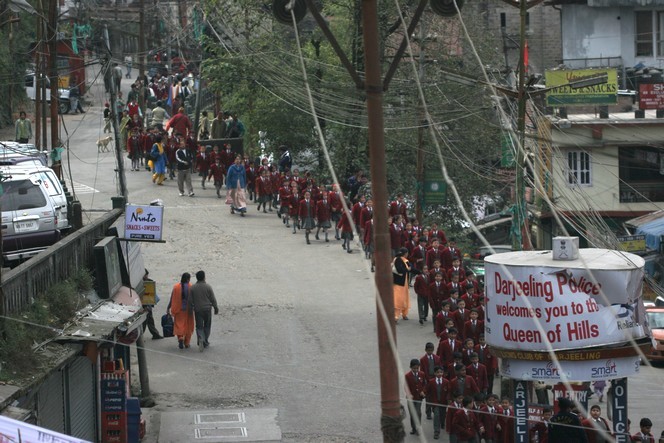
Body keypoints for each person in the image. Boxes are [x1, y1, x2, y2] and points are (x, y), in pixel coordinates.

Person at [189, 270, 219, 352]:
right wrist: (216, 308)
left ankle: (201, 338)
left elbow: (190, 301)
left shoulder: (192, 288)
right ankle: (205, 340)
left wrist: (190, 311)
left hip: (198, 310)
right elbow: (213, 299)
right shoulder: (208, 287)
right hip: (207, 309)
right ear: (204, 277)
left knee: (199, 327)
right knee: (207, 325)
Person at [167, 272, 195, 349]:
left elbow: (172, 298)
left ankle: (180, 337)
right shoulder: (191, 287)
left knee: (179, 325)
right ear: (188, 279)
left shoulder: (176, 287)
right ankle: (187, 343)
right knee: (188, 326)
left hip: (178, 310)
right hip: (188, 310)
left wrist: (168, 307)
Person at [392, 247, 420, 322]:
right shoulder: (398, 260)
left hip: (404, 284)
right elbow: (399, 270)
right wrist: (407, 270)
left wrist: (420, 272)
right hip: (398, 283)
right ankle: (396, 316)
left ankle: (404, 314)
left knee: (404, 299)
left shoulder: (405, 260)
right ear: (405, 253)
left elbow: (412, 269)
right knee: (398, 300)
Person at [405, 359, 427, 436]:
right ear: (410, 367)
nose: (415, 370)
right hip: (411, 398)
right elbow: (406, 386)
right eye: (414, 368)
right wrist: (409, 394)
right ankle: (413, 428)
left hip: (418, 398)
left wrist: (423, 391)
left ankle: (418, 428)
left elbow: (424, 384)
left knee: (418, 413)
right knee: (412, 413)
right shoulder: (407, 375)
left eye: (417, 368)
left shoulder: (422, 374)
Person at [426, 366, 449, 440]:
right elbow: (427, 390)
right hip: (435, 403)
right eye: (438, 372)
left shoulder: (446, 382)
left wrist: (449, 399)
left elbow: (449, 392)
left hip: (443, 402)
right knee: (436, 415)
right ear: (435, 373)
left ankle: (442, 423)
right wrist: (424, 393)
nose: (439, 374)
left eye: (441, 372)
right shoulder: (431, 381)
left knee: (442, 415)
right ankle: (436, 431)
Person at [141, 269, 163, 339]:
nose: (146, 276)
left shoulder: (147, 282)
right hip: (145, 305)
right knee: (146, 321)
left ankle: (155, 334)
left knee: (149, 320)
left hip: (147, 304)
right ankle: (141, 336)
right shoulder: (146, 283)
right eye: (146, 275)